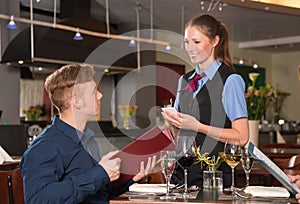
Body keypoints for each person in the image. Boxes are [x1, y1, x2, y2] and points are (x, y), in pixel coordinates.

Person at [20, 64, 156, 204]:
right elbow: (37, 199)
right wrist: (100, 173)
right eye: (93, 92)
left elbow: (98, 193)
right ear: (76, 102)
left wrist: (132, 178)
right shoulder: (44, 146)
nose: (100, 95)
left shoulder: (88, 139)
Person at [162, 14, 249, 188]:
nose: (190, 48)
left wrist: (197, 126)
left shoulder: (230, 80)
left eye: (196, 42)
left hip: (213, 177)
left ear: (215, 41)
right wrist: (172, 122)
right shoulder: (184, 80)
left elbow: (241, 137)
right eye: (187, 42)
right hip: (182, 173)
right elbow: (180, 136)